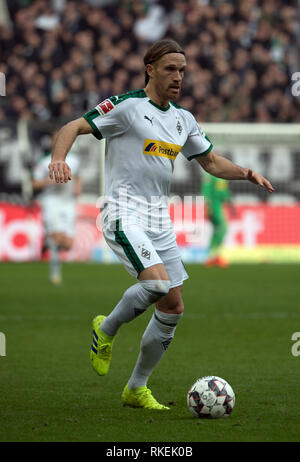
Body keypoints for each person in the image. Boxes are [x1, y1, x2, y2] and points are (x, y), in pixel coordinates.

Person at [48, 39, 274, 410]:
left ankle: (136, 388)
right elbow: (72, 126)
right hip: (122, 211)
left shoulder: (183, 119)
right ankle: (104, 330)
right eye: (170, 68)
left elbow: (212, 163)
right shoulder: (127, 107)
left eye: (183, 70)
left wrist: (247, 173)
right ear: (150, 68)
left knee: (172, 306)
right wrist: (59, 158)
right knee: (155, 283)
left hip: (159, 220)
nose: (178, 77)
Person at [32, 133, 81, 284]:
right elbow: (34, 184)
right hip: (51, 201)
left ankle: (49, 241)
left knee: (68, 243)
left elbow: (78, 176)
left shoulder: (74, 160)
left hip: (68, 201)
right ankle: (55, 275)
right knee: (58, 238)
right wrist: (51, 181)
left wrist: (78, 188)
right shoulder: (44, 162)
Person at [201, 173, 233, 267]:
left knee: (217, 230)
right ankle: (214, 256)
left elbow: (225, 193)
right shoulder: (210, 176)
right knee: (222, 228)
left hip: (220, 206)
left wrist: (228, 202)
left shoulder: (223, 177)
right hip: (214, 206)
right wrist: (208, 207)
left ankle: (213, 256)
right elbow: (206, 191)